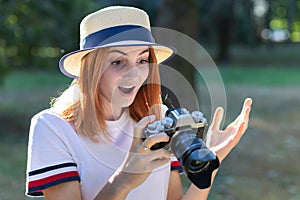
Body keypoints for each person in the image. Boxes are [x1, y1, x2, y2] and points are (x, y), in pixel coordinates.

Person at [25, 6, 252, 200]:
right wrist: (124, 180)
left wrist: (210, 161)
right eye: (117, 62)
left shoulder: (159, 119)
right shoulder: (53, 128)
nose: (133, 75)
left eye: (142, 60)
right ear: (90, 69)